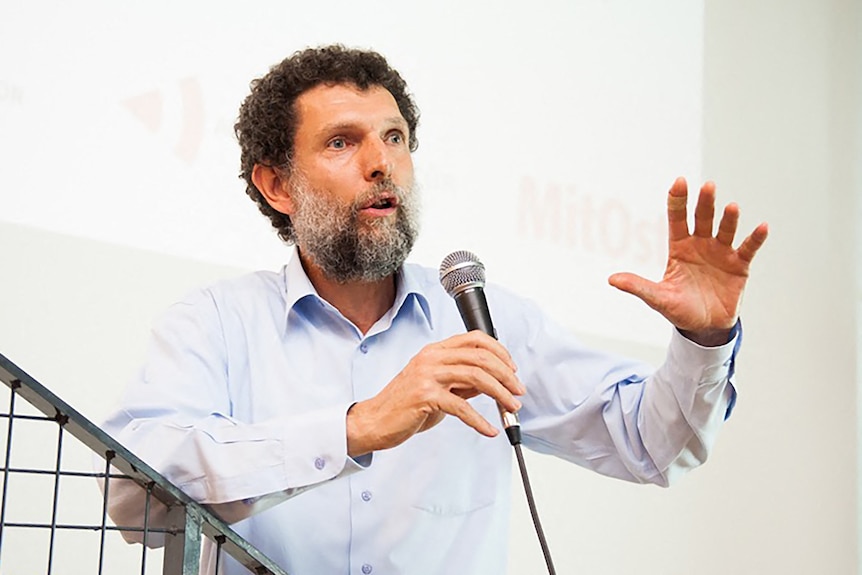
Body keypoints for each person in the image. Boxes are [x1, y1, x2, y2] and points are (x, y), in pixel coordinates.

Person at [102, 44, 768, 575]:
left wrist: (702, 336)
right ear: (278, 185)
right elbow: (134, 495)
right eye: (342, 142)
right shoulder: (215, 323)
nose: (380, 164)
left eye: (394, 138)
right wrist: (354, 428)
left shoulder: (482, 320)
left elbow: (651, 445)